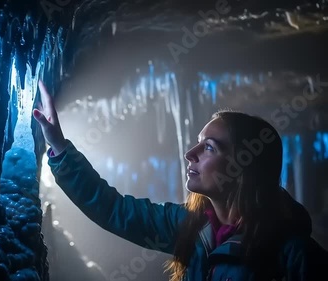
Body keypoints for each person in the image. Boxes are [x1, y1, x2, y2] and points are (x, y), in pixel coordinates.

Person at [33, 80, 328, 280]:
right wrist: (58, 146)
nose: (190, 153)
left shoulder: (294, 255)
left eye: (209, 147)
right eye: (198, 143)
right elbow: (114, 210)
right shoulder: (191, 227)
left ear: (243, 166)